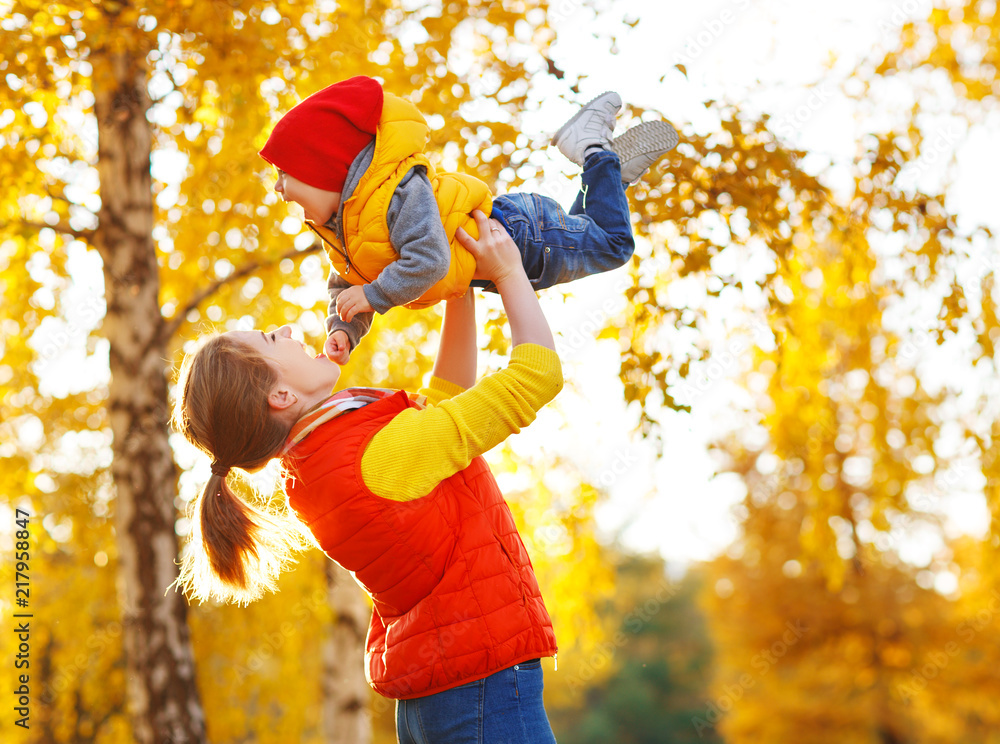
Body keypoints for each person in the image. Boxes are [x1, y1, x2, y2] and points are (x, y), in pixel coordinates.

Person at [171, 212, 565, 742]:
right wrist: (509, 272)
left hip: (447, 690)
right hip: (481, 686)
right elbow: (536, 376)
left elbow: (442, 404)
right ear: (281, 397)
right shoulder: (368, 456)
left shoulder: (321, 459)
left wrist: (458, 288)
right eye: (271, 338)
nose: (287, 329)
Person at [258, 75, 679, 364]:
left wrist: (375, 296)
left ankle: (592, 150)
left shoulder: (396, 191)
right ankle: (607, 174)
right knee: (590, 231)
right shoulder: (344, 231)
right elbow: (347, 288)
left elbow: (429, 261)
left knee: (613, 245)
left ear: (325, 168)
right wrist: (343, 330)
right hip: (514, 249)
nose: (279, 189)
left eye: (284, 174)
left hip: (519, 235)